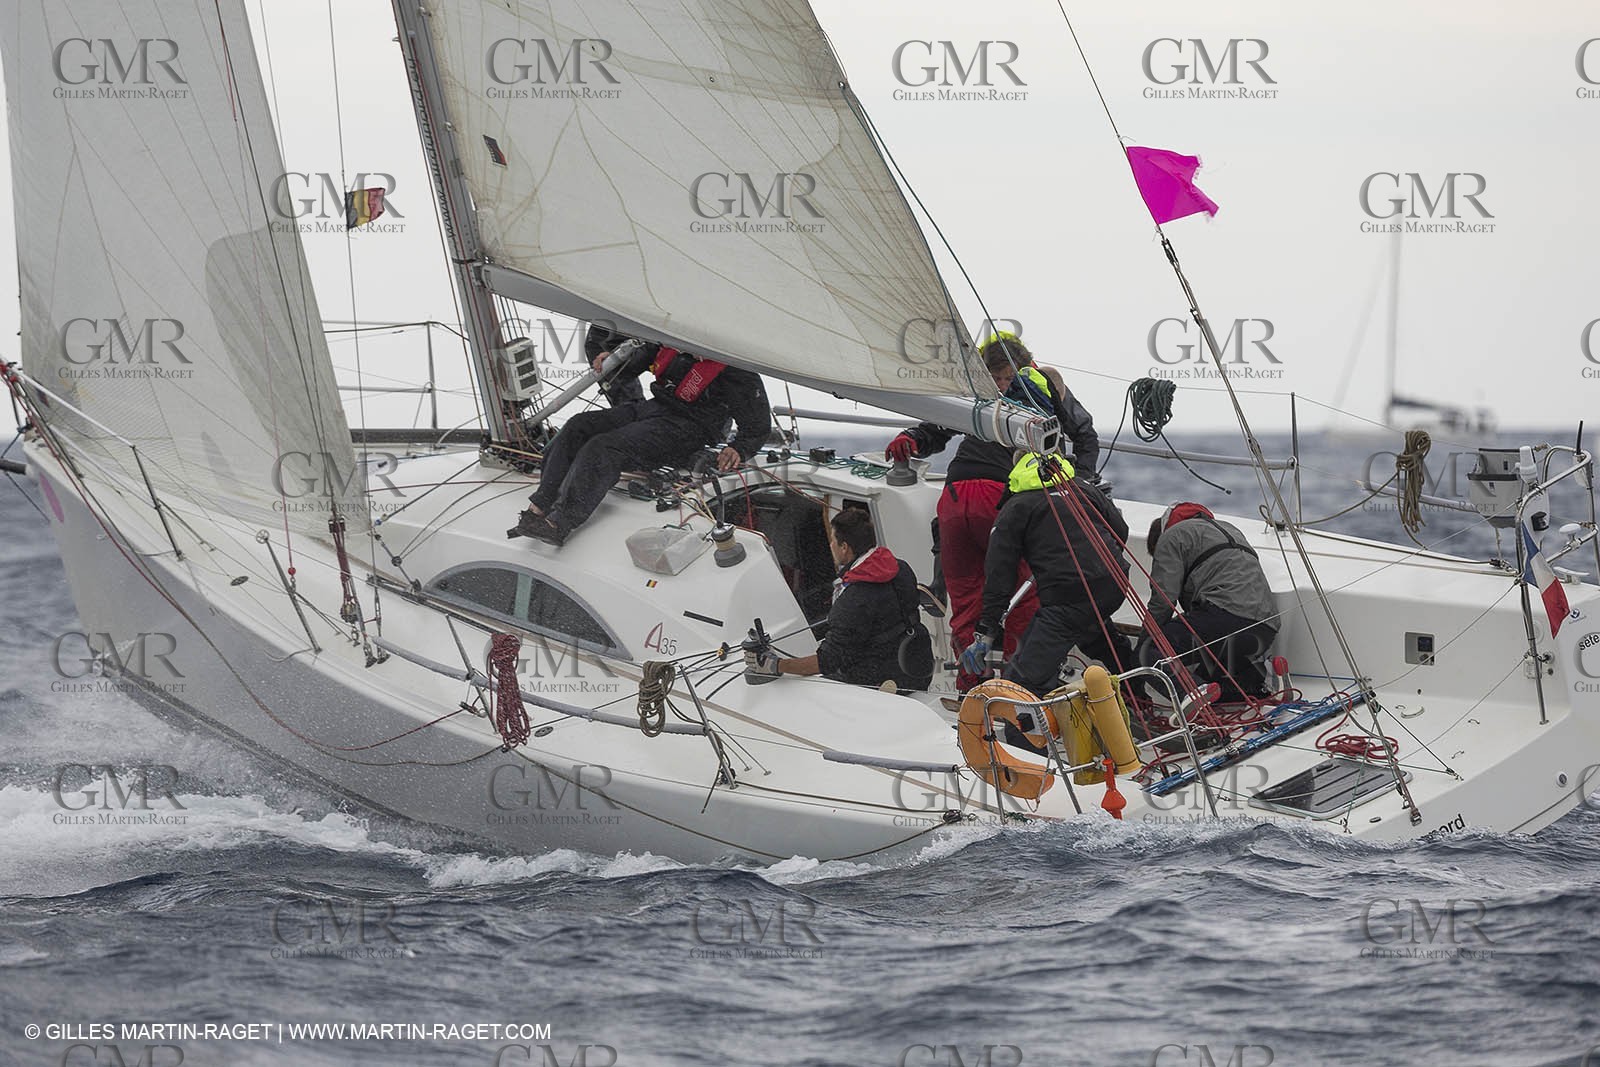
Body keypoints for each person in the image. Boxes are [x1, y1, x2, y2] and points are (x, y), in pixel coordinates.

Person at [883, 333, 1101, 691]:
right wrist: (1085, 478)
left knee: (966, 597)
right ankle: (1017, 688)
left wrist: (913, 439)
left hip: (954, 498)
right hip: (998, 499)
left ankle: (971, 686)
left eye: (1005, 377)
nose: (1000, 385)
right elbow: (1082, 434)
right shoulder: (1038, 392)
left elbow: (937, 425)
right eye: (995, 377)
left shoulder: (977, 396)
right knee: (1023, 594)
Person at [509, 337, 771, 545]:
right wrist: (612, 360)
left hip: (691, 429)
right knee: (580, 424)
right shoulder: (672, 340)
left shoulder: (732, 367)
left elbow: (757, 425)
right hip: (656, 410)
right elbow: (638, 360)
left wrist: (739, 447)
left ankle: (560, 523)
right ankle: (539, 505)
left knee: (605, 446)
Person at [961, 452, 1136, 698]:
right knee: (1092, 631)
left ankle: (1026, 733)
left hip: (1069, 597)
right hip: (1115, 584)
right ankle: (1139, 695)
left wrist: (985, 633)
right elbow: (1120, 530)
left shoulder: (1015, 508)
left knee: (1021, 683)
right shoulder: (1082, 487)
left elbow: (999, 577)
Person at [747, 508, 934, 692]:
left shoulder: (852, 600)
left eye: (833, 540)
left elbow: (826, 662)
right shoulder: (902, 569)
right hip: (917, 669)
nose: (830, 546)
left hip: (881, 682)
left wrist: (777, 665)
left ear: (844, 547)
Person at [1141, 502, 1279, 699]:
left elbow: (1163, 602)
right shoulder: (1230, 530)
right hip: (1265, 628)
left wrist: (1144, 643)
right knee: (1208, 676)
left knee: (1150, 653)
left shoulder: (1172, 536)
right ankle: (1257, 683)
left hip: (1225, 619)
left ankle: (1194, 695)